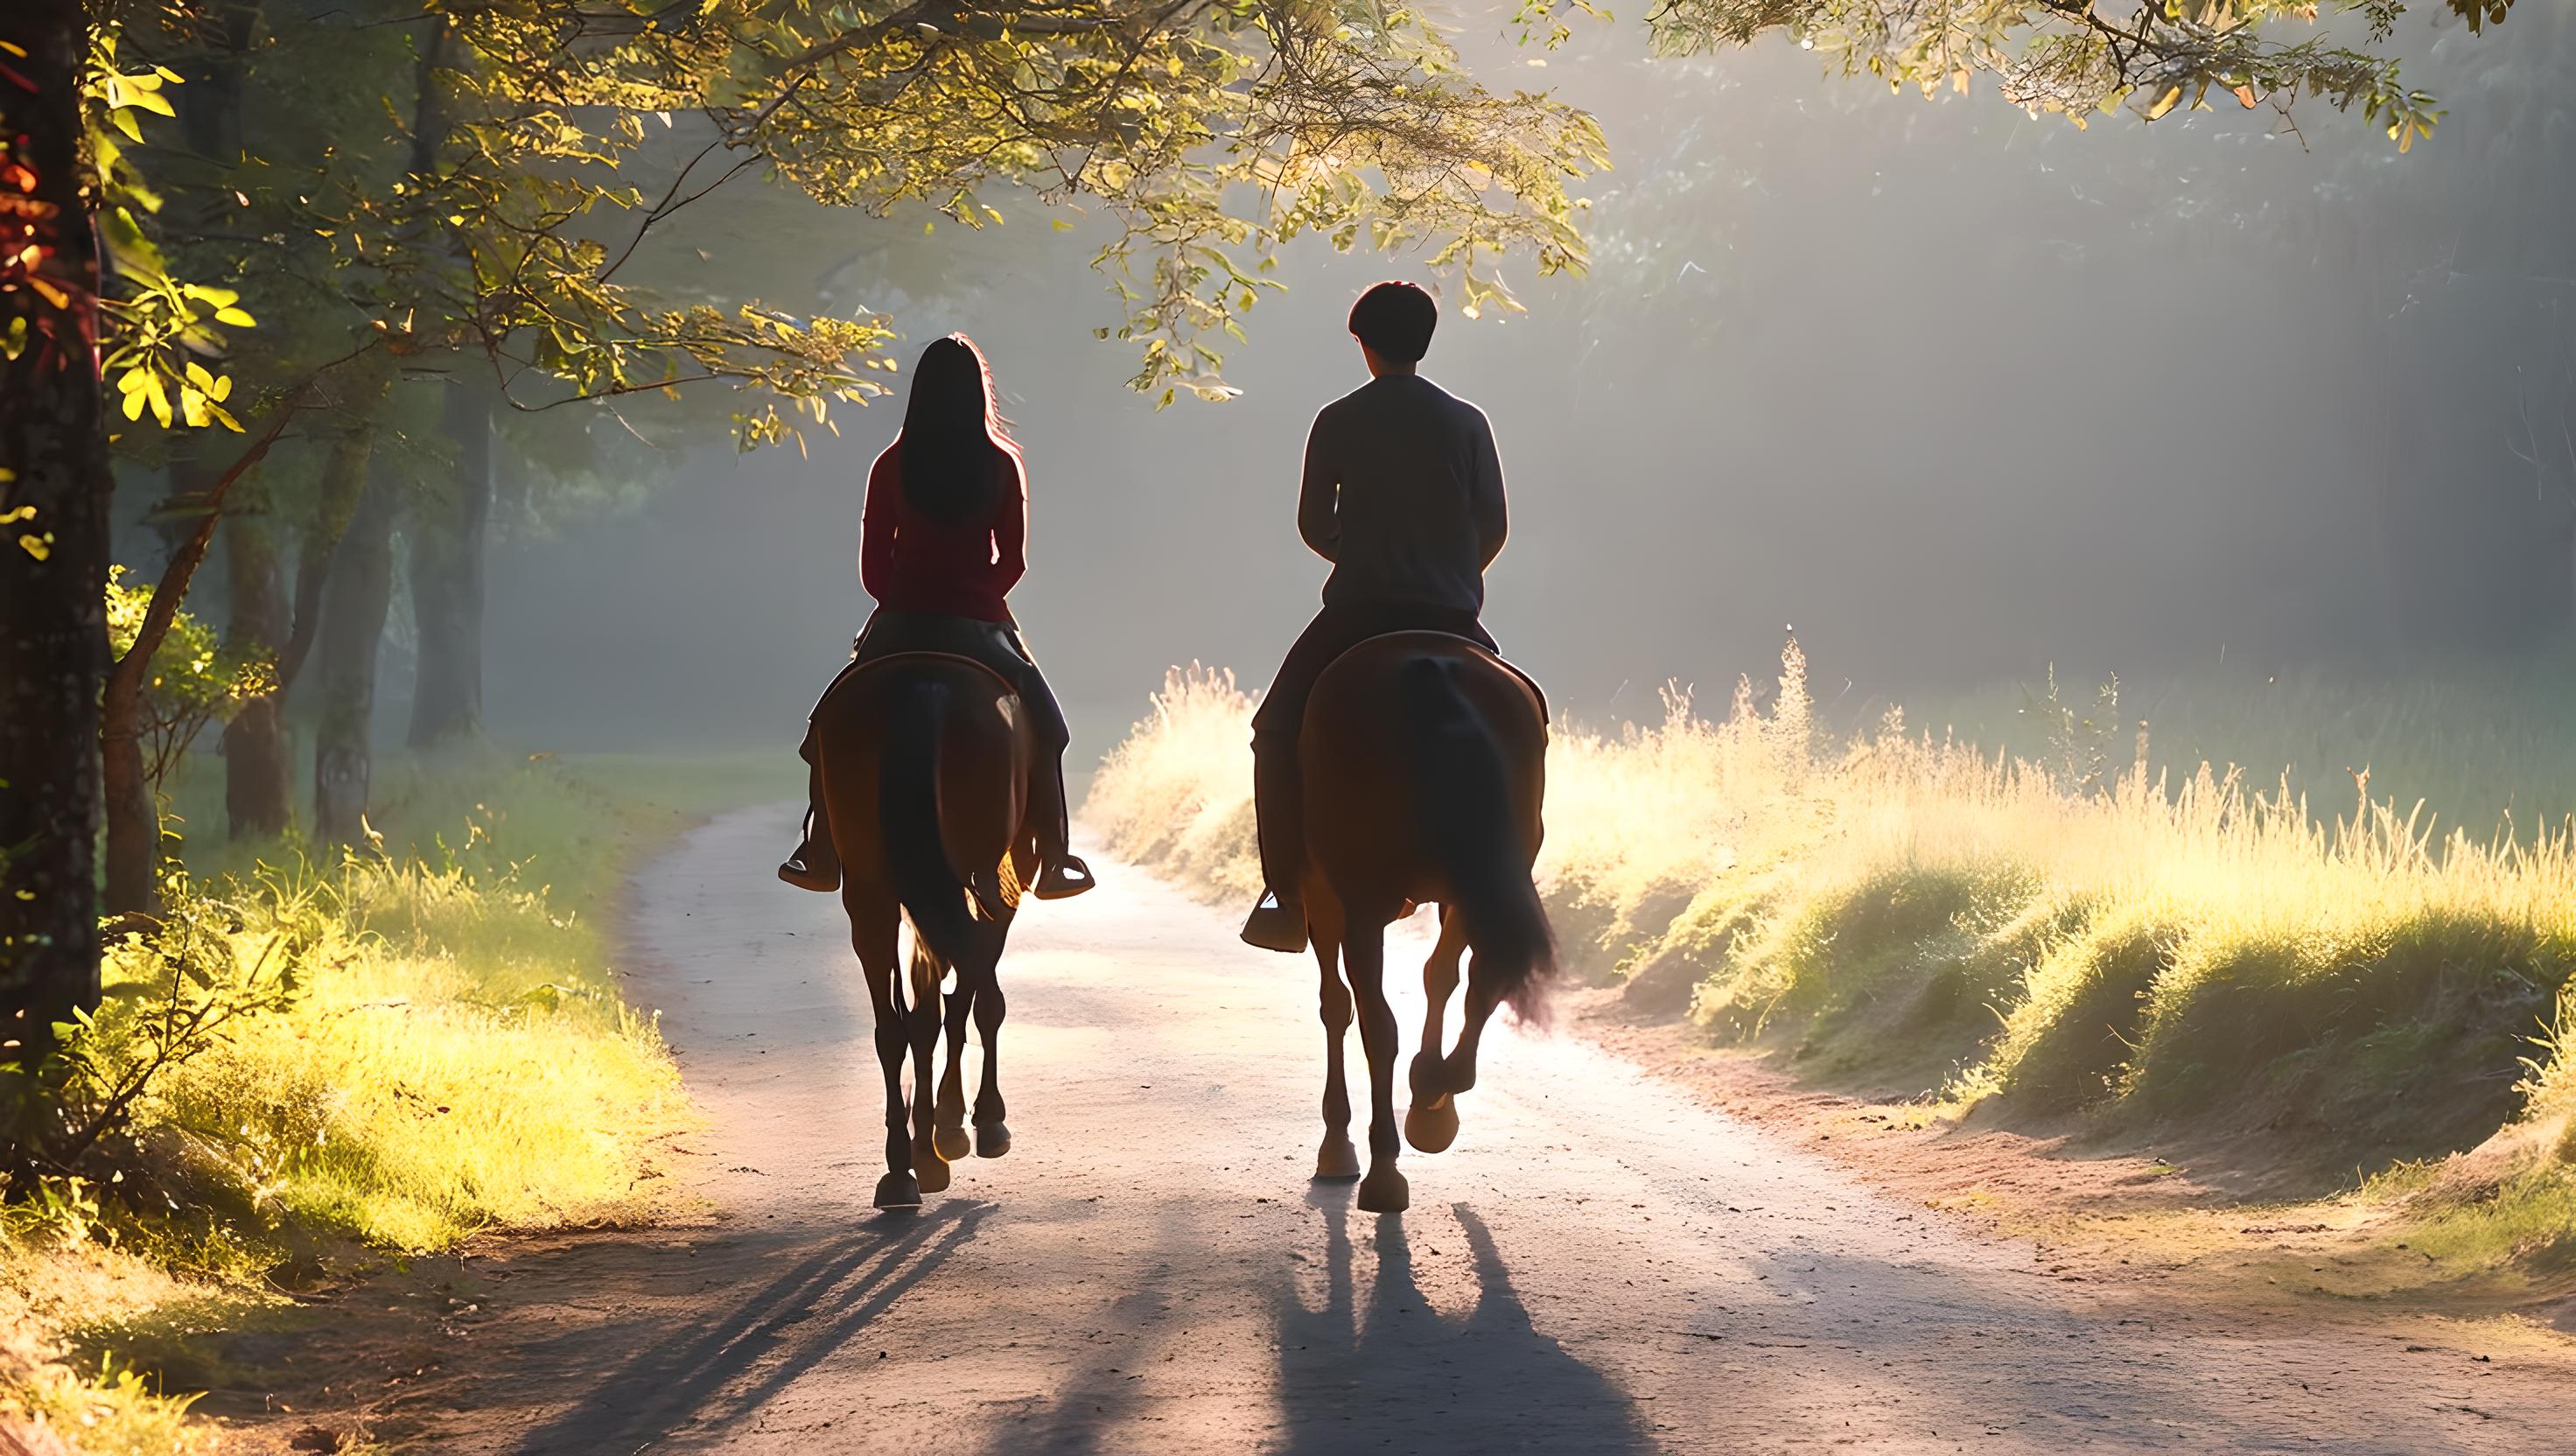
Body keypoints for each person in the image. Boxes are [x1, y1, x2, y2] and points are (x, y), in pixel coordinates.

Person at [1241, 281, 1511, 953]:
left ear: (1364, 343)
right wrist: (1452, 570)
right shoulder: (1469, 421)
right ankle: (1506, 874)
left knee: (1274, 728)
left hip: (1359, 614)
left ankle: (1281, 892)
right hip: (1452, 615)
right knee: (1519, 719)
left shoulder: (1336, 420)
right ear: (1425, 342)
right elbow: (1495, 525)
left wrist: (1358, 553)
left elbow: (1312, 524)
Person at [780, 333, 1095, 901]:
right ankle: (1054, 857)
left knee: (825, 727)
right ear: (980, 394)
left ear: (919, 393)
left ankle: (819, 849)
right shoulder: (1002, 464)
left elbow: (873, 566)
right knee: (1049, 729)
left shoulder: (890, 465)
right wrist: (977, 599)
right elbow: (1013, 560)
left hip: (901, 621)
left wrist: (904, 600)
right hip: (979, 624)